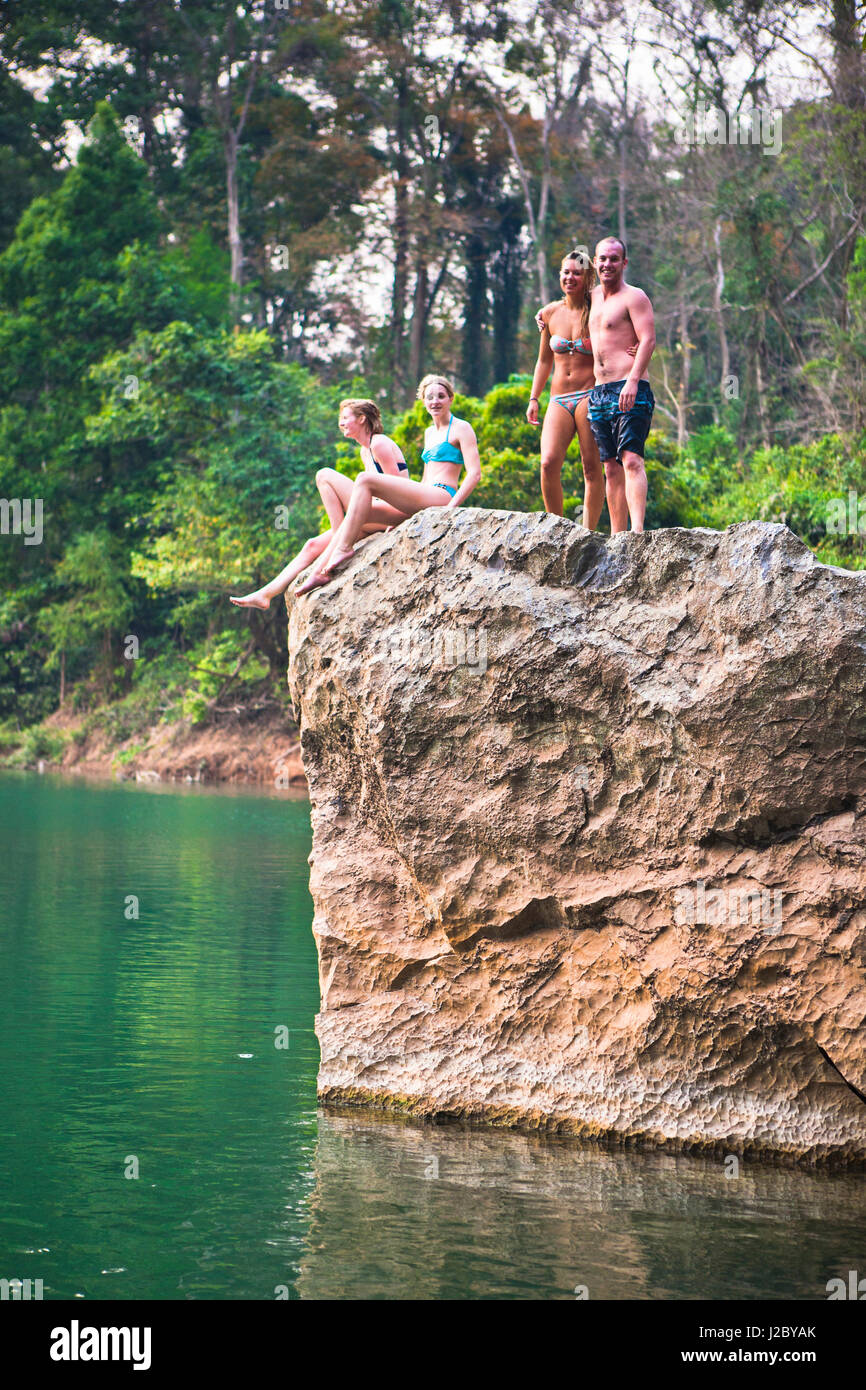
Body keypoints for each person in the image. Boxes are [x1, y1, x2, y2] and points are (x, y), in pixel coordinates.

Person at [295, 374, 481, 594]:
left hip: (443, 495)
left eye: (441, 396)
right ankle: (320, 571)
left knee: (364, 480)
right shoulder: (429, 433)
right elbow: (424, 478)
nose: (435, 401)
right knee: (360, 511)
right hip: (424, 494)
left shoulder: (461, 428)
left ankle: (344, 548)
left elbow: (474, 474)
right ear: (423, 401)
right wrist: (401, 511)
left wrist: (451, 508)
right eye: (430, 397)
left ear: (450, 398)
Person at [229, 398, 409, 608]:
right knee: (312, 545)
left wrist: (392, 525)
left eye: (345, 418)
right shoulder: (364, 450)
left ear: (361, 419)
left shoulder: (379, 443)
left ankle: (339, 534)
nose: (341, 423)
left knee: (324, 475)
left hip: (392, 512)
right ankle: (266, 594)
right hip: (374, 515)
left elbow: (400, 487)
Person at [535, 236, 655, 533]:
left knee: (630, 460)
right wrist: (542, 314)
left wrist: (634, 377)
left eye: (614, 259)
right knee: (609, 467)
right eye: (602, 259)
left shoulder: (633, 296)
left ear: (624, 263)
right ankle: (615, 535)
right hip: (596, 393)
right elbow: (568, 300)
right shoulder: (590, 298)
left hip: (626, 387)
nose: (607, 264)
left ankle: (636, 532)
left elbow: (648, 338)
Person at [527, 249, 604, 525]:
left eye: (577, 273)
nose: (570, 277)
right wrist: (534, 398)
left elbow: (620, 329)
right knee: (547, 463)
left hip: (589, 395)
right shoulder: (549, 313)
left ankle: (587, 533)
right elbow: (543, 361)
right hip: (559, 398)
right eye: (566, 272)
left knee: (591, 467)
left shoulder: (598, 310)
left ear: (587, 278)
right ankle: (557, 528)